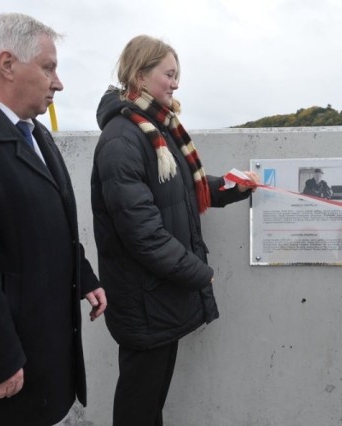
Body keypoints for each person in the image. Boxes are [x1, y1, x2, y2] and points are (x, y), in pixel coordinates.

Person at [0, 13, 106, 426]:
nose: (58, 82)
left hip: (41, 363)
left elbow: (44, 222)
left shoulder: (34, 132)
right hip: (1, 381)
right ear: (7, 64)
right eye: (48, 67)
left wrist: (84, 276)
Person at [91, 34, 259, 426]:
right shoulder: (123, 139)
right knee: (139, 405)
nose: (176, 83)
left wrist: (235, 187)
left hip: (158, 298)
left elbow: (187, 191)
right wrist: (200, 273)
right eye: (169, 74)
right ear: (140, 74)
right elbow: (142, 232)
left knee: (149, 403)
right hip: (144, 300)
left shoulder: (158, 131)